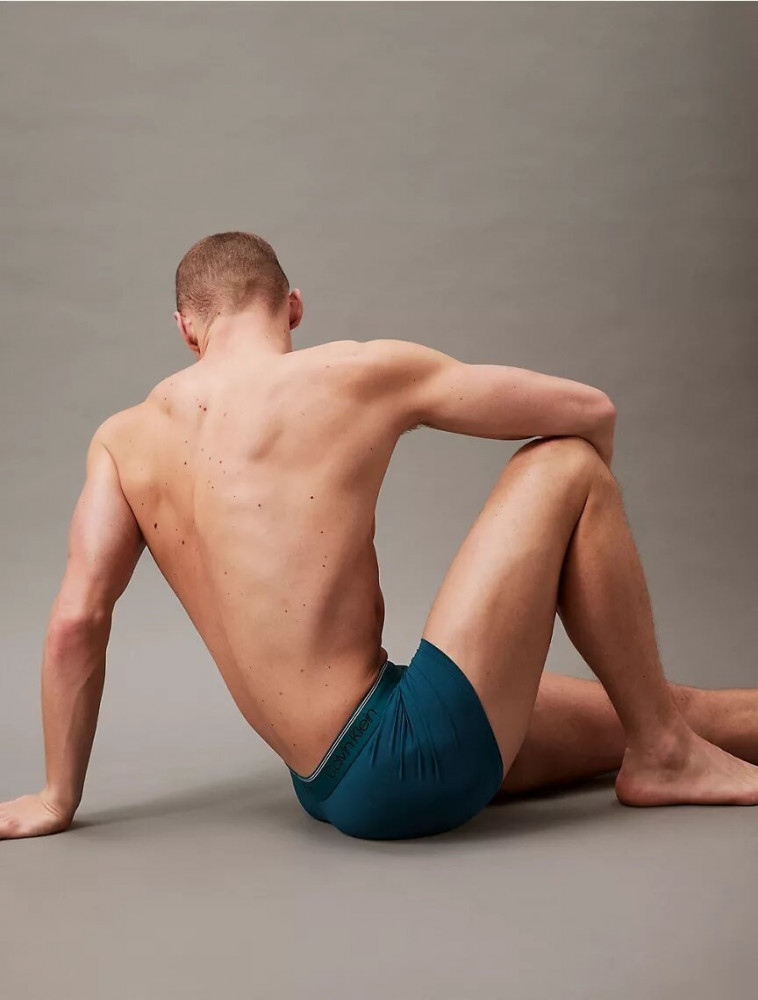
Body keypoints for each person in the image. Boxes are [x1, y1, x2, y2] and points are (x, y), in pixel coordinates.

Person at [2, 231, 757, 842]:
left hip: (326, 780)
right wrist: (581, 541)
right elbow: (590, 412)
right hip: (406, 754)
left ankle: (662, 733)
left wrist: (56, 795)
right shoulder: (355, 372)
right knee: (568, 467)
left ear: (186, 329)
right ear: (293, 306)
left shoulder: (122, 440)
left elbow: (76, 621)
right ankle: (664, 755)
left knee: (668, 703)